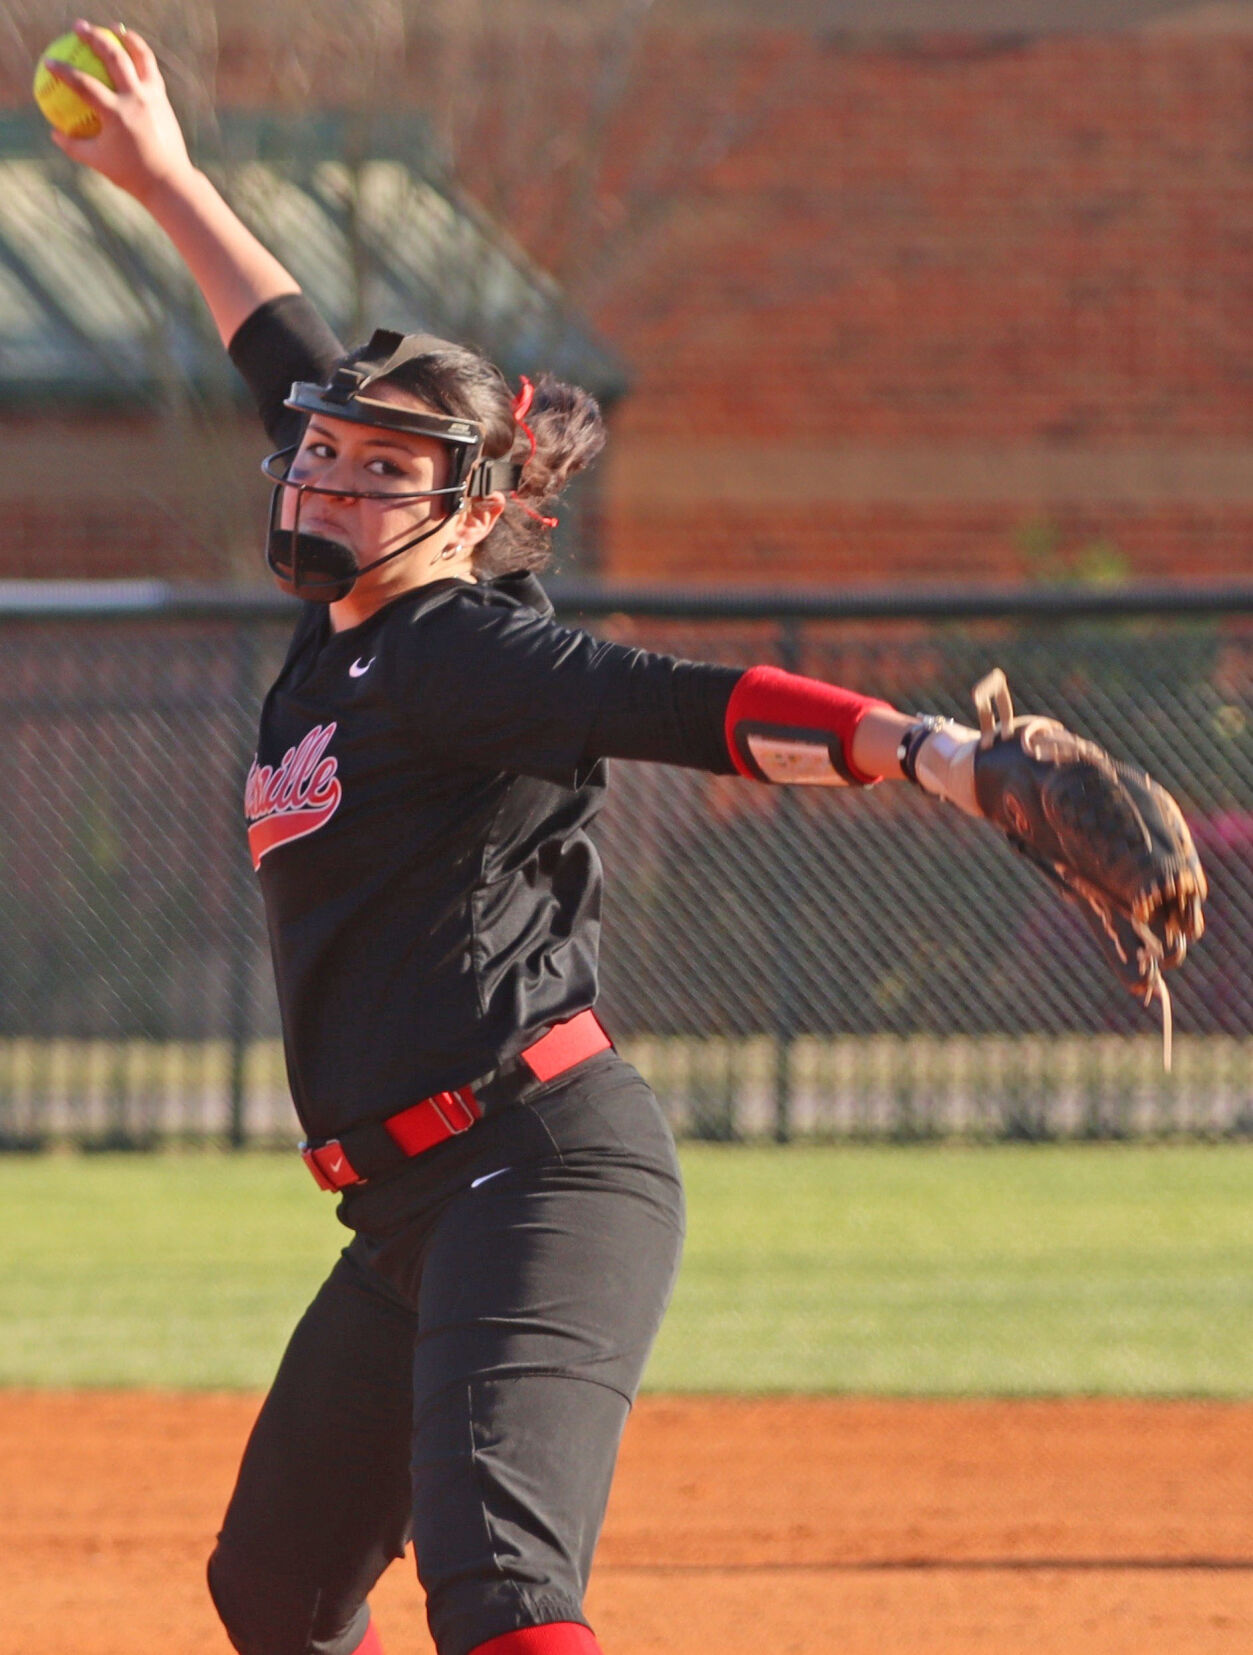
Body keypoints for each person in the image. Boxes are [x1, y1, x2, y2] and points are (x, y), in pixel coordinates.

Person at [44, 23, 1205, 1655]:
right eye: (322, 453)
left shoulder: (462, 650)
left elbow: (685, 704)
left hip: (539, 1168)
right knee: (276, 1588)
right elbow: (281, 344)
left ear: (470, 513)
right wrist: (166, 179)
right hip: (407, 1207)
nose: (333, 482)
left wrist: (940, 756)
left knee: (501, 1596)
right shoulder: (349, 618)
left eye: (385, 470)